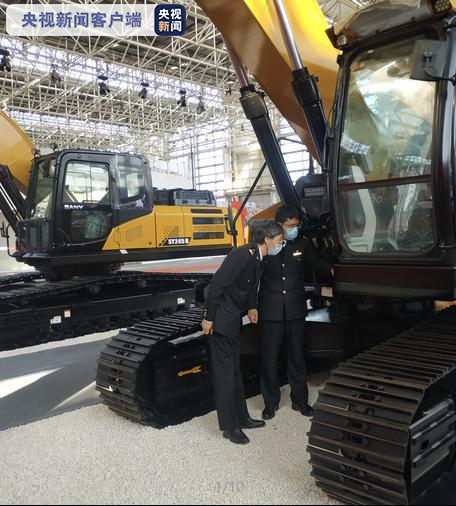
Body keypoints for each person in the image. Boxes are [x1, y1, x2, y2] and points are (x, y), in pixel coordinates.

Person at [201, 220, 284, 445]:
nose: (281, 243)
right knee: (225, 375)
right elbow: (217, 284)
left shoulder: (257, 257)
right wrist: (208, 317)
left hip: (232, 319)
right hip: (221, 320)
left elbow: (249, 287)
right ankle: (230, 427)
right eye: (279, 240)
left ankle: (242, 418)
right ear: (267, 239)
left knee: (235, 372)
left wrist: (252, 307)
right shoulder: (242, 255)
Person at [256, 206, 332, 420]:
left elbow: (317, 264)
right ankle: (270, 403)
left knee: (297, 357)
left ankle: (300, 401)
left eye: (296, 225)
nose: (294, 229)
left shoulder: (302, 244)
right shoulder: (266, 244)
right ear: (279, 225)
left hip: (295, 310)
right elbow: (253, 274)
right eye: (290, 226)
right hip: (270, 311)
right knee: (269, 358)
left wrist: (334, 269)